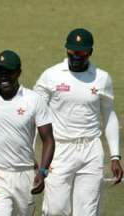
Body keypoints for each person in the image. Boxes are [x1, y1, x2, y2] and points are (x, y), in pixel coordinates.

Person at [34, 28, 123, 216]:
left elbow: (108, 115)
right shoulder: (51, 75)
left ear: (90, 52)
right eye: (72, 52)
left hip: (91, 149)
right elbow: (35, 113)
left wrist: (115, 156)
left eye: (81, 53)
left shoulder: (102, 78)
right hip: (59, 150)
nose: (76, 56)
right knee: (55, 210)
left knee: (87, 212)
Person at [0, 50, 55, 215]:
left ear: (18, 73)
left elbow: (48, 139)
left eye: (8, 72)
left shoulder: (33, 100)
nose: (3, 76)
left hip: (24, 174)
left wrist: (43, 171)